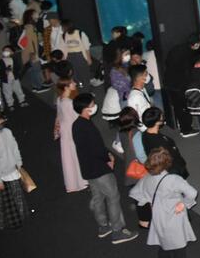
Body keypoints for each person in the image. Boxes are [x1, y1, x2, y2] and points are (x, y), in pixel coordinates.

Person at [71, 92, 139, 245]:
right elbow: (97, 148)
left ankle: (103, 226)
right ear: (86, 109)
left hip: (87, 168)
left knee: (98, 197)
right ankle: (118, 231)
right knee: (113, 197)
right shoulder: (88, 126)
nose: (95, 106)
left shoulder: (76, 125)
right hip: (100, 168)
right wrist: (108, 158)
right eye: (92, 104)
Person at [129, 147, 198, 258]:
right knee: (179, 247)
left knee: (164, 244)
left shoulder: (146, 179)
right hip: (174, 216)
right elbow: (192, 193)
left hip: (158, 216)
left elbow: (135, 193)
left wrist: (148, 201)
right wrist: (184, 203)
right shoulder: (174, 179)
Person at [164, 32, 200, 139]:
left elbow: (167, 62)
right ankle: (186, 129)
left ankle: (182, 125)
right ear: (196, 44)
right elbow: (189, 70)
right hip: (178, 85)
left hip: (169, 82)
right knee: (183, 106)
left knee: (178, 106)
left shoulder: (178, 48)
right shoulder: (188, 55)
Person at [117, 106, 151, 228]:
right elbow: (141, 155)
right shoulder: (137, 134)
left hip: (129, 168)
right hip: (139, 170)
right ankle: (146, 221)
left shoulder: (121, 132)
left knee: (138, 196)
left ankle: (143, 220)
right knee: (144, 196)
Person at [55, 77, 87, 193]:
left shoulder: (60, 99)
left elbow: (58, 116)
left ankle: (73, 182)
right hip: (72, 131)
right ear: (66, 87)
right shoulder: (69, 103)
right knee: (76, 155)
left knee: (69, 158)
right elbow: (77, 117)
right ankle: (81, 180)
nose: (74, 83)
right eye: (72, 83)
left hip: (65, 131)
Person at [142, 107, 189, 178]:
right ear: (157, 122)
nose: (163, 117)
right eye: (161, 116)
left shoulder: (145, 134)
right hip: (173, 169)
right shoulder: (160, 142)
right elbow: (172, 156)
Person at [0, 109, 26, 230]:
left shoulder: (7, 132)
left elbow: (15, 148)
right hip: (2, 174)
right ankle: (9, 222)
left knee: (17, 195)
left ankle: (19, 218)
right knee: (6, 201)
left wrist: (19, 163)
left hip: (13, 169)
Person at [61, 19, 93, 89]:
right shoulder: (64, 35)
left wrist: (89, 58)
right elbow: (63, 48)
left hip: (80, 56)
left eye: (63, 27)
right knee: (75, 76)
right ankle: (81, 87)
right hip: (70, 57)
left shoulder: (80, 33)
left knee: (84, 74)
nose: (62, 28)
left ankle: (87, 90)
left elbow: (87, 47)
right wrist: (64, 59)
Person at [19, 9, 44, 91]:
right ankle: (39, 86)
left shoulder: (29, 26)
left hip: (29, 52)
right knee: (36, 69)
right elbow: (30, 42)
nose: (37, 14)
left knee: (32, 70)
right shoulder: (30, 27)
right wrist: (34, 54)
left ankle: (35, 86)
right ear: (31, 16)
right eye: (35, 13)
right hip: (32, 53)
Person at [0, 44, 26, 109]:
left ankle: (22, 100)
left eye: (8, 51)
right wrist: (4, 72)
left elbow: (18, 67)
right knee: (7, 92)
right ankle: (10, 104)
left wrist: (14, 70)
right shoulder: (0, 61)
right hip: (6, 80)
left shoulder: (13, 59)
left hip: (15, 78)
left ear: (12, 52)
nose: (6, 52)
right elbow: (0, 71)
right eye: (4, 51)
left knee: (18, 89)